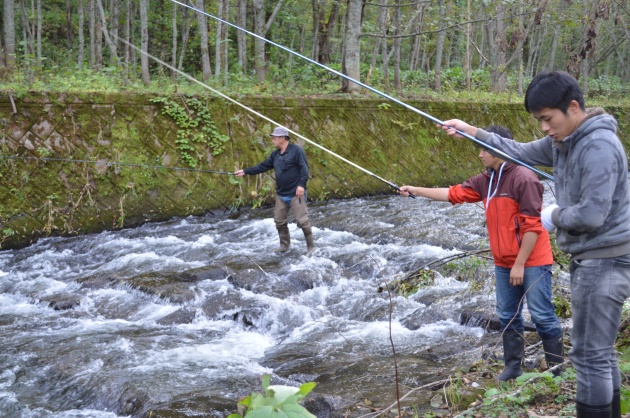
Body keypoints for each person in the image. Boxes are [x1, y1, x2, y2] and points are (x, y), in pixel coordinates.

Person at [439, 71, 630, 418]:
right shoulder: (563, 141)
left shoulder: (598, 146)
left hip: (607, 259)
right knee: (599, 353)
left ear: (573, 107)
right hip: (592, 258)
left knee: (588, 356)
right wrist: (470, 130)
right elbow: (514, 150)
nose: (543, 128)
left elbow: (591, 214)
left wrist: (552, 215)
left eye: (547, 118)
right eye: (539, 120)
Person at [399, 125, 563, 383]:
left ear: (501, 147)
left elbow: (533, 227)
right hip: (503, 261)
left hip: (531, 260)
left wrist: (520, 265)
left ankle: (557, 370)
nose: (480, 154)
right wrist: (416, 191)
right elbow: (453, 194)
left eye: (484, 149)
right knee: (507, 314)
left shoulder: (524, 178)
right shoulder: (486, 179)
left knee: (542, 314)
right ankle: (513, 367)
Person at [235, 126, 315, 255]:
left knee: (302, 221)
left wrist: (301, 185)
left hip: (296, 193)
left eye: (274, 138)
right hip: (281, 194)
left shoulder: (296, 151)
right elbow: (262, 166)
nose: (272, 141)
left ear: (283, 138)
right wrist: (245, 171)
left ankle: (311, 248)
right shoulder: (275, 155)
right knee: (279, 221)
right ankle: (284, 246)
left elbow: (304, 169)